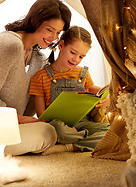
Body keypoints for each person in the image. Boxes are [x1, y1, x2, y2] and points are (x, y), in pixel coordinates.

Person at [0, 0, 72, 155]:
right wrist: (19, 119)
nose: (53, 37)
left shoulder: (37, 58)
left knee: (56, 128)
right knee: (46, 134)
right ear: (35, 21)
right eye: (50, 29)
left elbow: (30, 107)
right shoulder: (10, 45)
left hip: (9, 126)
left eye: (58, 32)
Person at [29, 26, 110, 155]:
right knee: (59, 131)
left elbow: (93, 90)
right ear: (61, 45)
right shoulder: (40, 76)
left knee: (110, 130)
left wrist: (106, 97)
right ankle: (84, 140)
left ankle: (70, 146)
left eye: (81, 57)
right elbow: (41, 114)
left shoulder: (82, 73)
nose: (75, 59)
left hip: (82, 122)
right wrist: (66, 128)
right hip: (57, 124)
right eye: (73, 53)